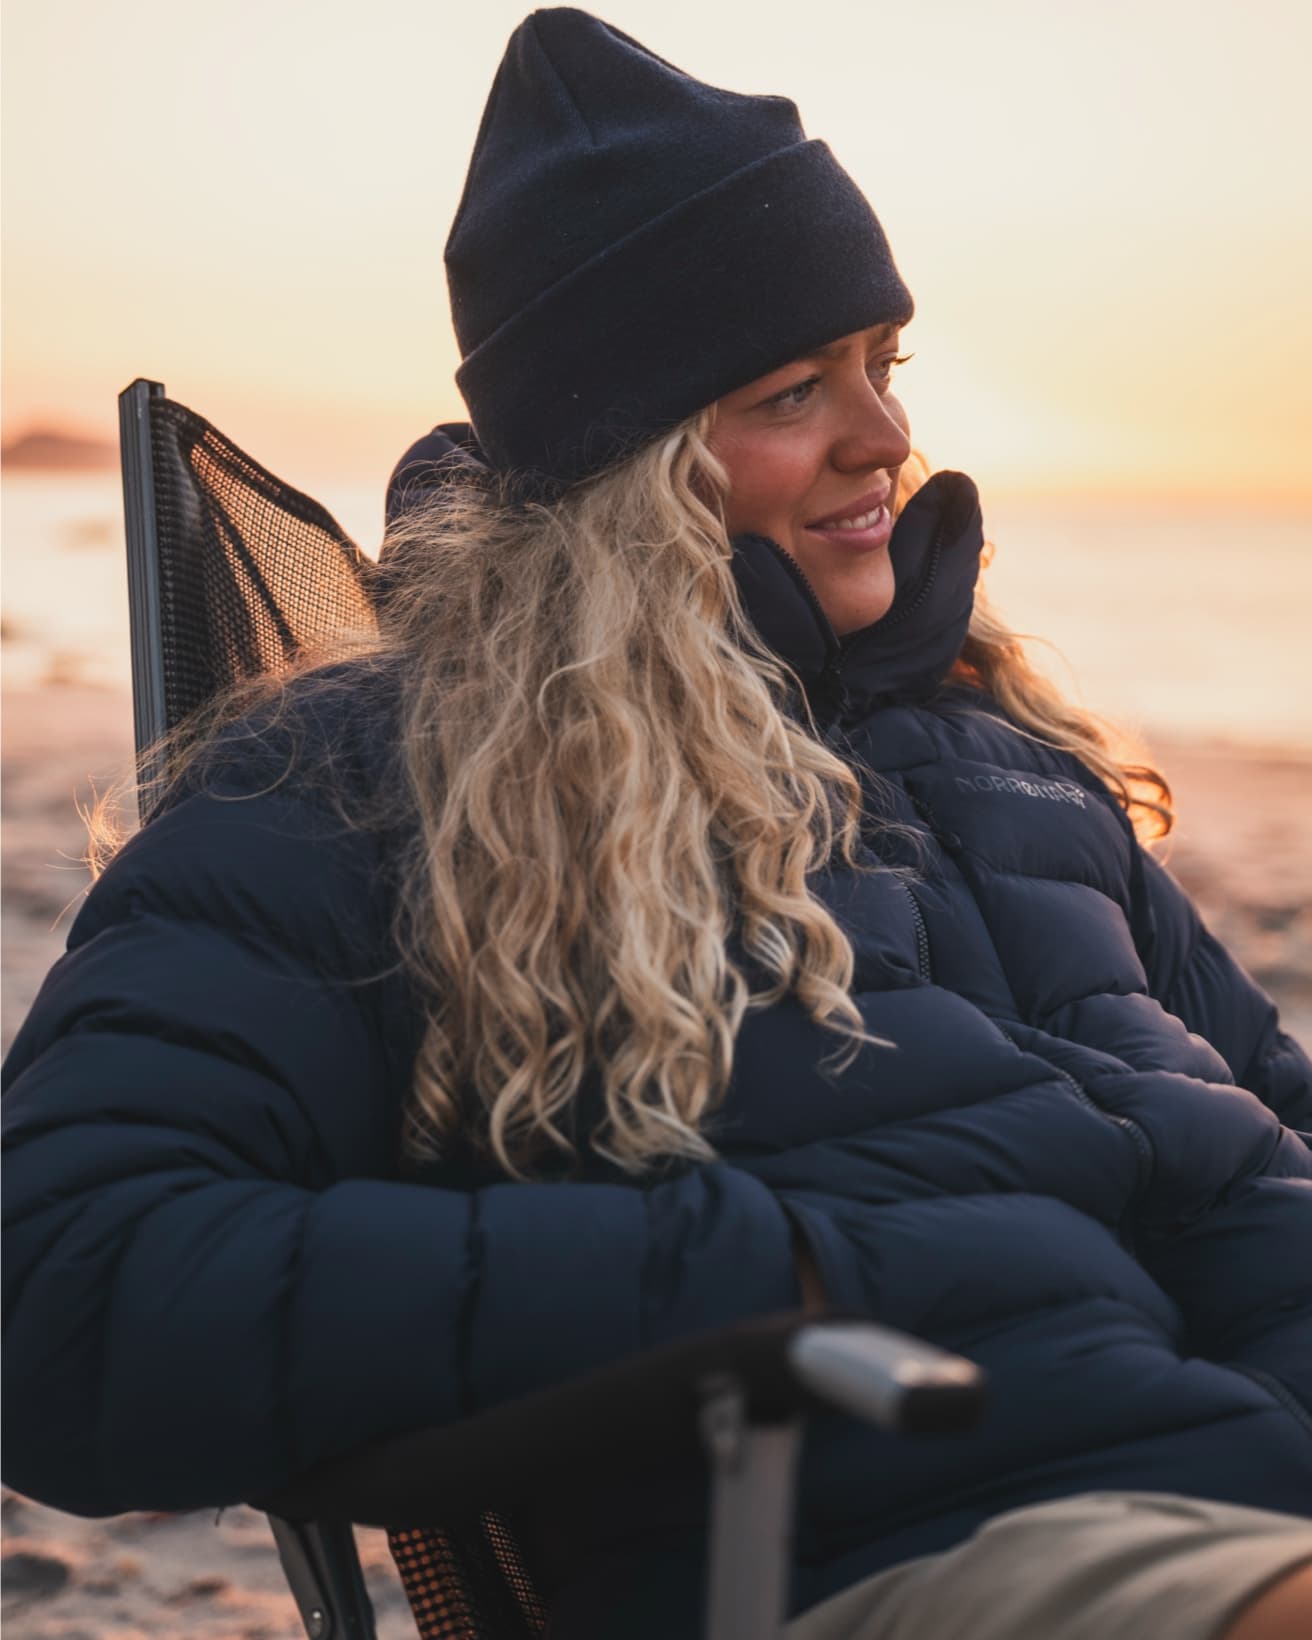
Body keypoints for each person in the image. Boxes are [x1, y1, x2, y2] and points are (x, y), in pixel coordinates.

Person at [4, 9, 1311, 1638]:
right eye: (790, 391)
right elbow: (69, 1288)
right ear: (624, 455)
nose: (887, 439)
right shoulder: (385, 776)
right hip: (948, 1546)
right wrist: (767, 1280)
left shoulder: (1010, 761)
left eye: (882, 366)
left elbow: (1273, 1125)